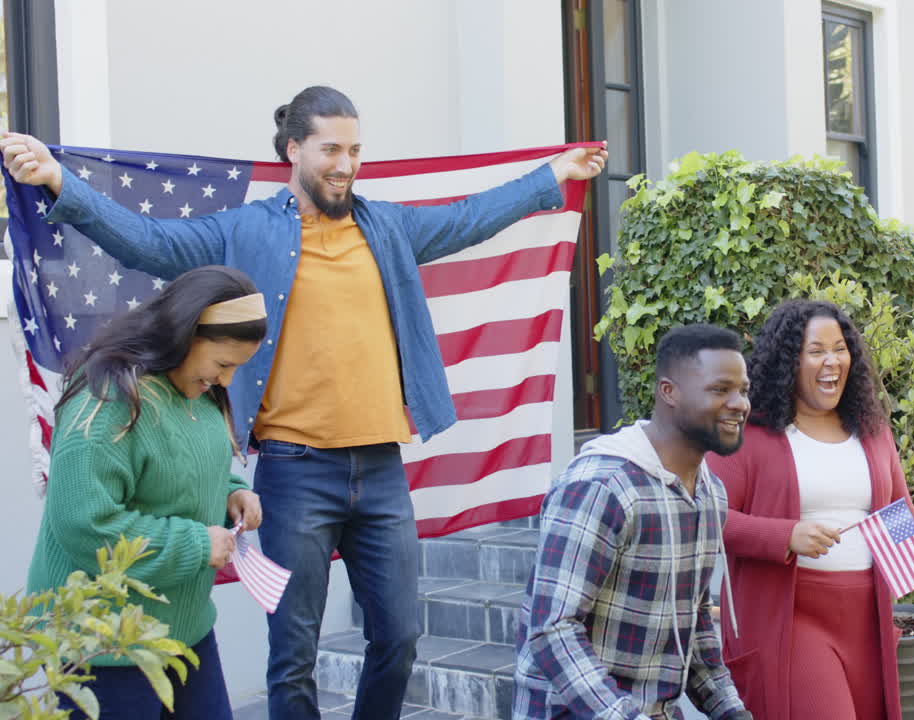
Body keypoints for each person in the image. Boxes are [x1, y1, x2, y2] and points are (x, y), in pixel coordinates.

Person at [2, 86, 608, 720]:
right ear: (294, 149)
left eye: (354, 149)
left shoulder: (389, 227)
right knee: (292, 658)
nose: (345, 163)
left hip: (380, 471)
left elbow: (465, 218)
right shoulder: (244, 229)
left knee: (399, 640)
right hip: (294, 472)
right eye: (330, 149)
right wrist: (60, 185)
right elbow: (150, 243)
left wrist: (550, 177)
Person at [704, 299, 914, 720]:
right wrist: (785, 536)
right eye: (816, 351)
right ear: (789, 360)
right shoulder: (752, 433)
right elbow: (705, 516)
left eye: (840, 348)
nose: (832, 361)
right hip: (790, 619)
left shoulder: (871, 432)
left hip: (865, 622)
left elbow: (901, 529)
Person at [26, 265, 267, 720]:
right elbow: (85, 524)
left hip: (184, 629)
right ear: (185, 334)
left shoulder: (193, 389)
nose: (228, 380)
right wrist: (196, 543)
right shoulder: (105, 404)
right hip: (104, 646)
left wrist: (232, 491)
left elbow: (191, 462)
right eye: (223, 365)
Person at [513, 324, 753, 720]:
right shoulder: (602, 485)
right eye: (719, 389)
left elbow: (692, 619)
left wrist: (729, 709)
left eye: (742, 390)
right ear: (668, 392)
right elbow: (552, 627)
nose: (739, 403)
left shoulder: (710, 494)